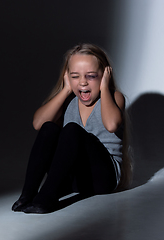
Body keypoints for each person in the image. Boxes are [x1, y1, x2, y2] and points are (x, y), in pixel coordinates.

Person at [12, 43, 131, 214]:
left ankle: (46, 198)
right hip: (74, 180)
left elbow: (112, 124)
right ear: (68, 76)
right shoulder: (68, 101)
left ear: (104, 74)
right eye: (75, 76)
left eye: (91, 76)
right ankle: (28, 194)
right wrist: (66, 89)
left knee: (72, 130)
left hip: (103, 179)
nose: (82, 82)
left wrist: (105, 87)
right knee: (49, 128)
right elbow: (38, 124)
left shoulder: (113, 97)